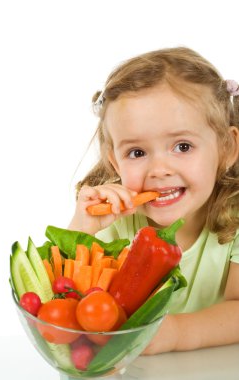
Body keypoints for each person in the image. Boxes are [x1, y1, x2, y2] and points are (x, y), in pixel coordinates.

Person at [68, 47, 239, 354]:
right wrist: (83, 228)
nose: (159, 170)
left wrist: (176, 333)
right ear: (116, 163)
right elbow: (63, 306)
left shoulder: (236, 218)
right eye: (137, 153)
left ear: (227, 148)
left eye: (183, 146)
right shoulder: (115, 220)